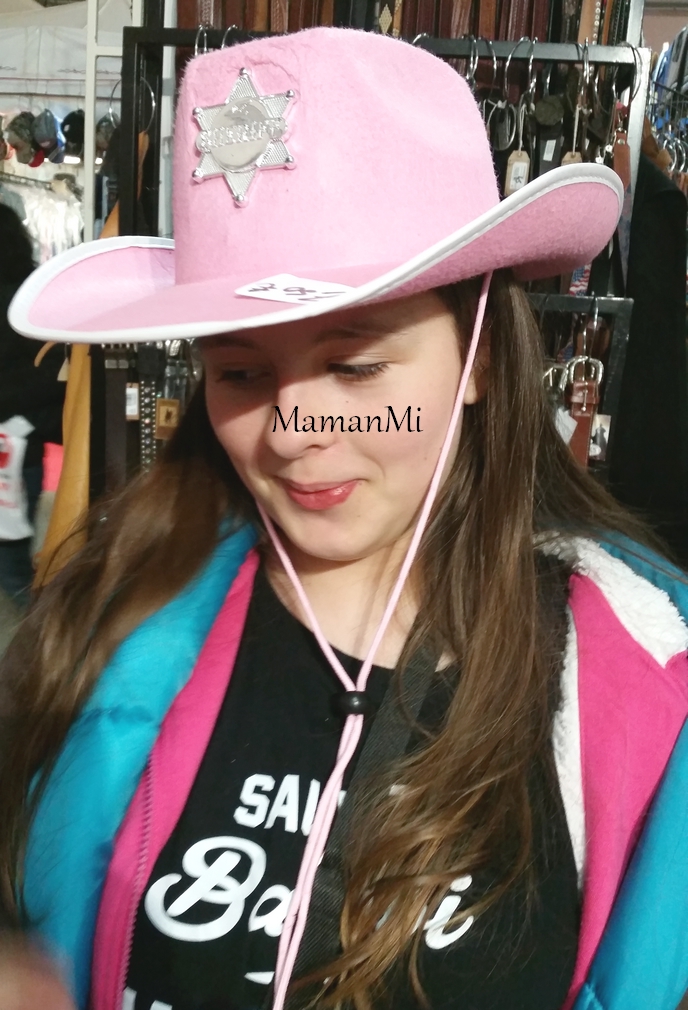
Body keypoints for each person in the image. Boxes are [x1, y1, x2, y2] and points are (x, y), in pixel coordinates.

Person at [1, 27, 687, 1010]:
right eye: (241, 372)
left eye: (356, 366)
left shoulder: (647, 680)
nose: (294, 432)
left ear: (481, 356)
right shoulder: (118, 606)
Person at [0, 204, 64, 608]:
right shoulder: (33, 295)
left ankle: (36, 632)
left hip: (12, 437)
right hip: (22, 437)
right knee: (13, 553)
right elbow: (51, 371)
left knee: (11, 562)